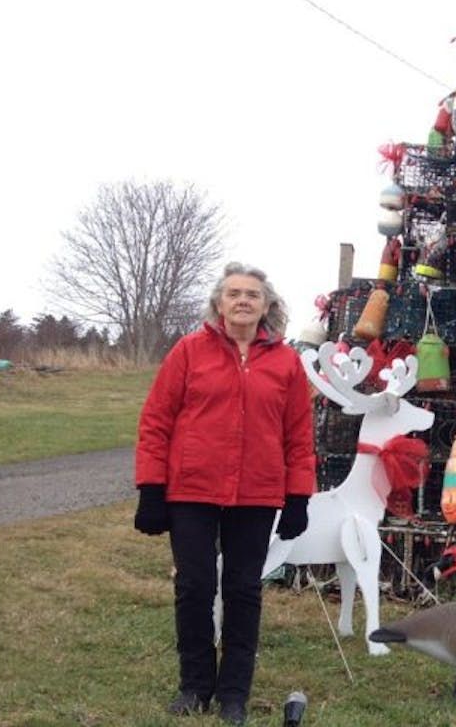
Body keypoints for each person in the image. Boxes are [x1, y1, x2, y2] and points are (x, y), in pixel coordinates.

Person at [133, 263, 317, 725]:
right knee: (194, 587)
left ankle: (234, 692)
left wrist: (298, 498)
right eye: (233, 293)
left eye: (252, 294)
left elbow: (298, 435)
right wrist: (151, 489)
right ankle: (195, 686)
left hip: (256, 495)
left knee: (243, 590)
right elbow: (156, 421)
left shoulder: (286, 363)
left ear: (266, 306)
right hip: (191, 490)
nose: (242, 301)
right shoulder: (189, 352)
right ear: (219, 302)